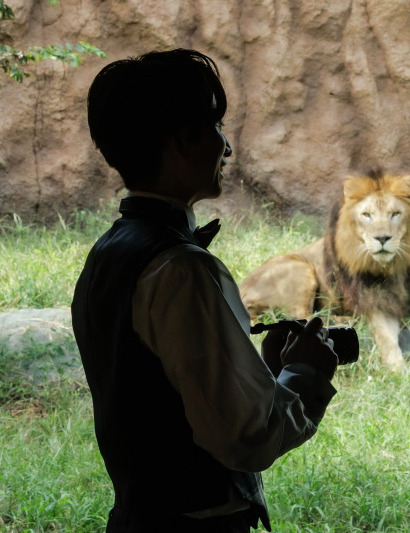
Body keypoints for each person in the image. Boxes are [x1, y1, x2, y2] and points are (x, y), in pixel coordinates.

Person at [71, 49, 339, 533]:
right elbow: (246, 438)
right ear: (181, 141)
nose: (226, 147)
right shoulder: (182, 269)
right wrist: (306, 372)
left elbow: (160, 395)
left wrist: (262, 372)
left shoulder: (109, 251)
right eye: (216, 126)